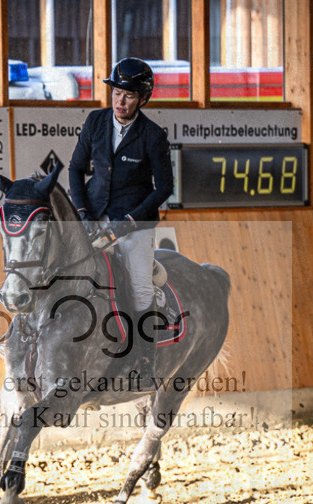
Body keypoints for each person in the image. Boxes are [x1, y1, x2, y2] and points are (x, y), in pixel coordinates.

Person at [68, 57, 174, 386]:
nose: (120, 101)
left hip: (133, 224)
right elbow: (74, 170)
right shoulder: (95, 122)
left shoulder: (152, 136)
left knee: (140, 286)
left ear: (142, 99)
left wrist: (131, 219)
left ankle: (145, 359)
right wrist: (83, 214)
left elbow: (165, 187)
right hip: (94, 217)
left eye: (128, 96)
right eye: (116, 93)